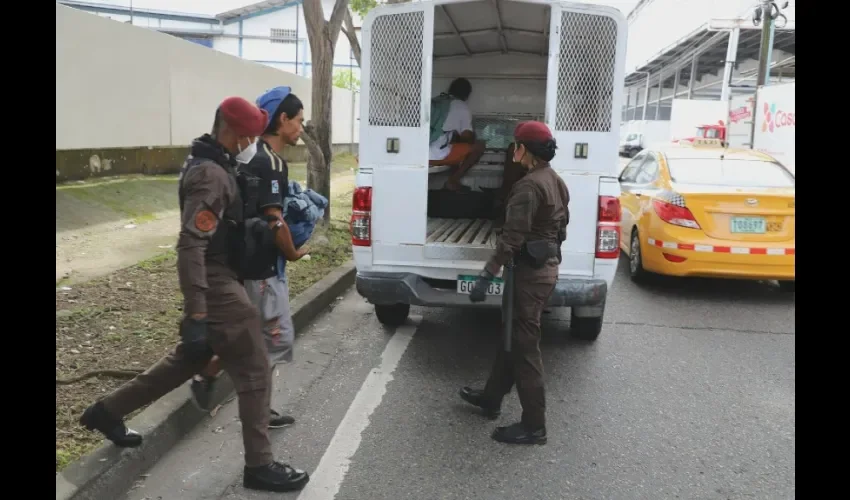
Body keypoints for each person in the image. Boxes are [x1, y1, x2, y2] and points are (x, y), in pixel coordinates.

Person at [78, 96, 310, 492]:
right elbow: (191, 245)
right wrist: (198, 313)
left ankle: (105, 411)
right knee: (255, 371)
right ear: (235, 133)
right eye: (251, 133)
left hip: (220, 277)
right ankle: (260, 466)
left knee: (183, 362)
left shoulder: (215, 162)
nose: (254, 140)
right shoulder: (211, 175)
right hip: (216, 283)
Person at [190, 87, 308, 432]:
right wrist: (293, 252)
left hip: (248, 264)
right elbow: (274, 218)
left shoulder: (247, 159)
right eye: (299, 120)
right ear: (282, 120)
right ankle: (245, 397)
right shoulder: (268, 162)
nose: (301, 128)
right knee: (274, 339)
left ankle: (252, 400)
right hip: (262, 267)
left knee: (255, 336)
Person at [459, 121, 569, 445]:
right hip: (543, 271)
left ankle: (535, 426)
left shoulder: (528, 187)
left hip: (528, 276)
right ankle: (491, 398)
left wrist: (485, 275)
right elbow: (561, 227)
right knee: (513, 336)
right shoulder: (556, 181)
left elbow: (511, 240)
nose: (513, 151)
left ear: (526, 151)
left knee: (525, 350)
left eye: (516, 145)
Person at [428, 77, 486, 191]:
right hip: (435, 155)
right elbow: (467, 137)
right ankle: (453, 180)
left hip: (417, 154)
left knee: (453, 144)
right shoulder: (461, 107)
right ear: (467, 95)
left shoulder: (435, 101)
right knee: (479, 146)